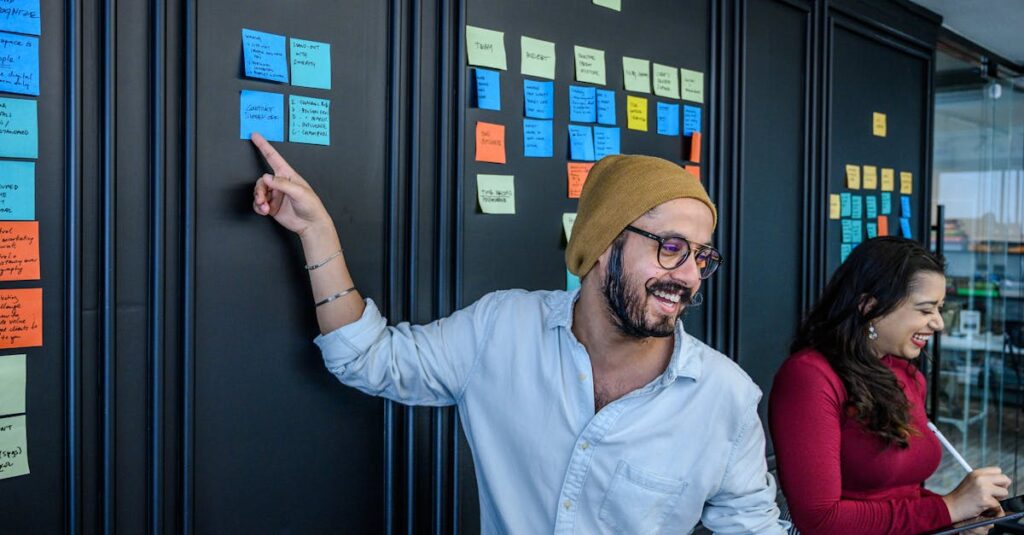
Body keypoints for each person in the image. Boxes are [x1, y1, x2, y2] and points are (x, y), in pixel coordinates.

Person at [249, 132, 787, 534]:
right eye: (670, 248)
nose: (689, 276)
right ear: (603, 246)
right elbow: (366, 357)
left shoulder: (725, 398)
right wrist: (317, 234)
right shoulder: (500, 330)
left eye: (701, 257)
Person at [769, 237, 1011, 535]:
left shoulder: (907, 375)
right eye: (925, 310)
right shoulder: (809, 377)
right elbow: (820, 520)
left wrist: (959, 515)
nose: (938, 323)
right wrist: (948, 508)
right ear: (869, 306)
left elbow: (902, 497)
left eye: (940, 308)